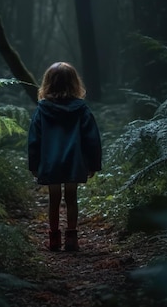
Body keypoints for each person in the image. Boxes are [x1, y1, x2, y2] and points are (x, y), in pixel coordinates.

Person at [28, 62, 102, 251]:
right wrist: (93, 163)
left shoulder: (42, 110)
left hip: (50, 163)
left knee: (54, 199)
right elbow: (91, 138)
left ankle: (53, 240)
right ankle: (71, 239)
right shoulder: (81, 109)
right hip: (74, 162)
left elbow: (34, 140)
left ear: (48, 83)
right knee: (71, 198)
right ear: (74, 83)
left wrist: (34, 165)